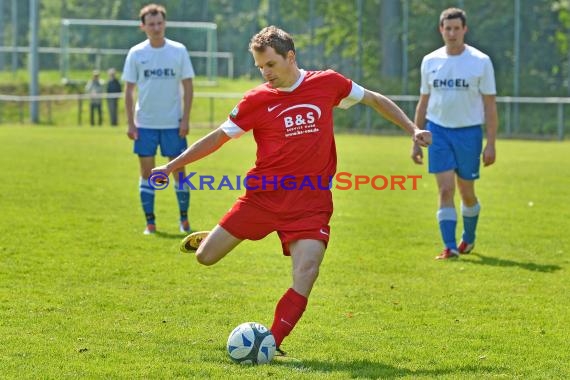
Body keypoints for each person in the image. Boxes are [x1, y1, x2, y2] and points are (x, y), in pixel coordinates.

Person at [152, 26, 431, 354]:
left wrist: (412, 129)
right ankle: (214, 236)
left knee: (307, 271)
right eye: (259, 67)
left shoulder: (327, 83)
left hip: (310, 202)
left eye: (270, 65)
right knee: (205, 258)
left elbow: (374, 99)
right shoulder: (256, 100)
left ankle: (271, 343)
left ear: (290, 57)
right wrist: (171, 166)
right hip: (263, 197)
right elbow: (217, 137)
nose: (265, 73)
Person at [411, 8, 498, 260]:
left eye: (456, 28)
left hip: (469, 134)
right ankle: (449, 247)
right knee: (445, 189)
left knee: (466, 191)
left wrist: (490, 143)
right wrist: (416, 138)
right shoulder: (430, 61)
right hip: (437, 131)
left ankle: (468, 239)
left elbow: (490, 105)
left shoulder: (480, 61)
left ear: (464, 30)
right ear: (441, 30)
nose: (451, 33)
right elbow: (423, 101)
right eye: (447, 28)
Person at [122, 3, 195, 235]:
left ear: (165, 24)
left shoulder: (178, 50)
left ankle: (184, 220)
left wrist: (185, 119)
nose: (156, 28)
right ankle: (150, 223)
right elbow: (129, 90)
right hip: (145, 125)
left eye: (160, 23)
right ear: (143, 26)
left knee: (179, 173)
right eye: (151, 24)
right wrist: (131, 123)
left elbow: (188, 85)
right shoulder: (136, 53)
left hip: (173, 124)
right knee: (147, 173)